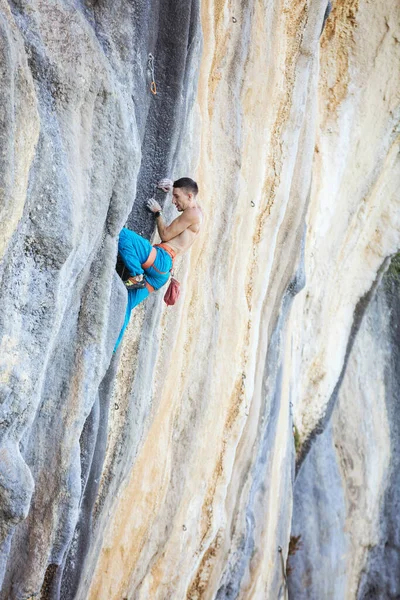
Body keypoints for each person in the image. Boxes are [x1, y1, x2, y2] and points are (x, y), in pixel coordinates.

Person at [114, 177, 203, 350]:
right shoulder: (198, 212)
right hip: (162, 274)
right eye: (173, 196)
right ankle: (112, 349)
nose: (174, 201)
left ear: (190, 196)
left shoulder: (191, 213)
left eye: (177, 197)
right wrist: (172, 187)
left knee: (123, 235)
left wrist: (157, 212)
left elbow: (166, 235)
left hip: (161, 260)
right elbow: (189, 190)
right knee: (124, 302)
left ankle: (136, 273)